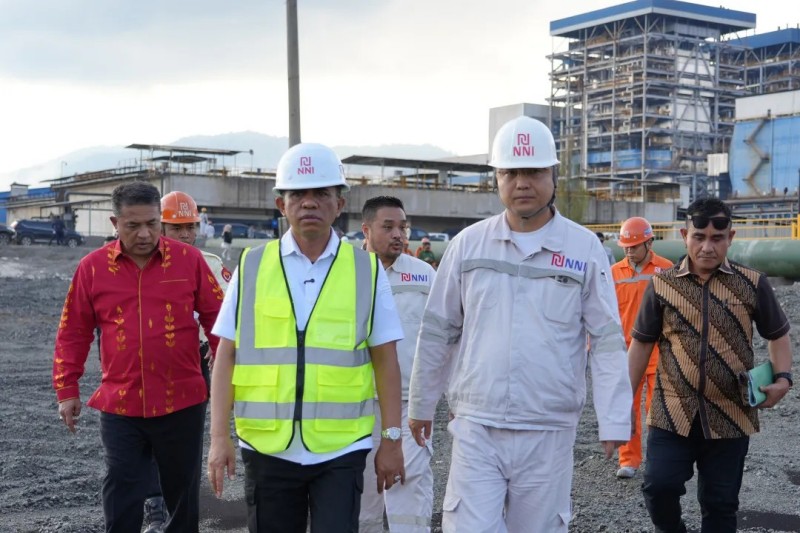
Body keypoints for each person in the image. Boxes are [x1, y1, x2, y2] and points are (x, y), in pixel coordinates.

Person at [408, 116, 631, 532]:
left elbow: (605, 340)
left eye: (533, 172)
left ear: (553, 176)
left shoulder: (583, 248)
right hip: (477, 422)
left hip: (548, 427)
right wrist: (421, 405)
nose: (522, 183)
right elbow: (438, 330)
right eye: (510, 172)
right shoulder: (468, 246)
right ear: (497, 178)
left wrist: (615, 418)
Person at [206, 142, 406, 533]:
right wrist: (218, 437)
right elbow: (226, 356)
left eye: (321, 193)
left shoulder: (366, 270)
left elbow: (386, 361)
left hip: (341, 449)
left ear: (339, 203)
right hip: (267, 448)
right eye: (298, 193)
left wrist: (391, 440)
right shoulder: (252, 265)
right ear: (281, 204)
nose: (309, 202)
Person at [53, 181, 223, 533]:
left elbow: (218, 319)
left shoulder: (189, 260)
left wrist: (226, 373)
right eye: (133, 225)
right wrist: (67, 389)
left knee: (183, 493)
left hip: (182, 400)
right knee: (121, 487)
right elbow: (74, 330)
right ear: (115, 223)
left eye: (152, 224)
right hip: (121, 403)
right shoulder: (93, 268)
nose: (145, 234)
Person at [628, 198, 793, 533]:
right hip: (672, 413)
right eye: (698, 237)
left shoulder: (752, 283)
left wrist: (783, 378)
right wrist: (620, 403)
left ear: (730, 237)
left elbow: (778, 334)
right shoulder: (662, 285)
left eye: (717, 238)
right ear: (684, 235)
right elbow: (641, 344)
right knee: (659, 488)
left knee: (720, 505)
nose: (707, 247)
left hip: (730, 416)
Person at [138, 190, 232, 532]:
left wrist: (217, 345)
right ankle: (154, 505)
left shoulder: (210, 264)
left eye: (190, 226)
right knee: (146, 438)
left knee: (185, 442)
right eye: (177, 228)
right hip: (150, 364)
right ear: (160, 227)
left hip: (194, 363)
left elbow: (229, 313)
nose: (186, 234)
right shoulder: (140, 263)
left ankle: (181, 512)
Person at [358, 196, 436, 533]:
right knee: (362, 497)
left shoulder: (424, 275)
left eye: (402, 227)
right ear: (366, 230)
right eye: (388, 227)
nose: (398, 235)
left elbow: (443, 336)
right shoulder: (347, 273)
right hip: (357, 404)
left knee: (410, 486)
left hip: (409, 405)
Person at [610, 217, 674, 479]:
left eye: (634, 246)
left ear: (649, 243)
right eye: (626, 247)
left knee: (656, 408)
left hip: (659, 350)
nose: (629, 251)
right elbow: (605, 312)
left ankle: (659, 460)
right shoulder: (614, 273)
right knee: (628, 406)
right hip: (627, 352)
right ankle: (629, 460)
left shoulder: (666, 270)